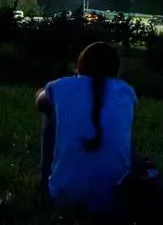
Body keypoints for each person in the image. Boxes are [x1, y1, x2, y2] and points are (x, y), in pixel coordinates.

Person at [36, 41, 137, 214]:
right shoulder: (126, 91)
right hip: (115, 202)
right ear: (116, 70)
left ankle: (45, 184)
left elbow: (40, 103)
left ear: (79, 66)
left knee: (50, 113)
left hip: (63, 199)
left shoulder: (61, 85)